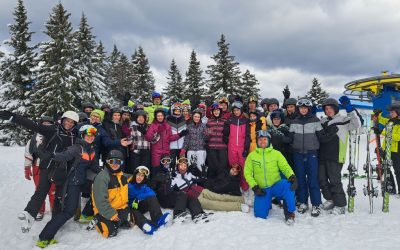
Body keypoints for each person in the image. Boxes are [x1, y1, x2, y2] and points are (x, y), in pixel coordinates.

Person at [0, 110, 79, 233]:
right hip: (47, 167)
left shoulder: (75, 135)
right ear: (62, 120)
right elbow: (33, 125)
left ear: (75, 124)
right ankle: (29, 214)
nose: (69, 124)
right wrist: (13, 117)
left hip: (63, 170)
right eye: (67, 121)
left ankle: (55, 220)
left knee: (58, 196)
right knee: (41, 191)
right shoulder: (52, 130)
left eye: (72, 122)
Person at [35, 125, 102, 248]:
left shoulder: (91, 150)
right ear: (82, 135)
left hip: (82, 182)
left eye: (92, 136)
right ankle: (44, 237)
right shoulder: (77, 148)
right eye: (88, 135)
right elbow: (64, 156)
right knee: (68, 211)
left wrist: (106, 171)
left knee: (99, 192)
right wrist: (50, 155)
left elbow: (94, 167)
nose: (90, 138)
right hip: (72, 183)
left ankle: (86, 214)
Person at [319, 97, 361, 215]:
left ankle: (340, 204)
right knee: (321, 179)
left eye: (330, 108)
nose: (328, 110)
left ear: (336, 109)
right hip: (322, 155)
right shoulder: (322, 121)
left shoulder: (343, 120)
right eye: (326, 109)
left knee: (334, 180)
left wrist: (350, 109)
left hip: (336, 155)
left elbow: (356, 124)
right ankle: (330, 199)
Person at [244, 130, 297, 224]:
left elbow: (285, 167)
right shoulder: (252, 156)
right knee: (260, 215)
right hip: (262, 189)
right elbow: (247, 173)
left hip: (275, 185)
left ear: (269, 141)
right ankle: (267, 202)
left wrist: (291, 176)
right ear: (257, 141)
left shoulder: (276, 154)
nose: (262, 141)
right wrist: (255, 187)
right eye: (260, 139)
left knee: (288, 185)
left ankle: (289, 213)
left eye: (265, 139)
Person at [288, 98, 326, 217]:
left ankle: (316, 203)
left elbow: (321, 136)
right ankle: (303, 202)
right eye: (301, 108)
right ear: (299, 109)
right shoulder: (294, 121)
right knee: (300, 179)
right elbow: (290, 137)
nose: (303, 110)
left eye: (305, 108)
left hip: (311, 153)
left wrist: (329, 135)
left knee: (312, 179)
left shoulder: (315, 120)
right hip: (298, 153)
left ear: (309, 109)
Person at [171, 157, 249, 213]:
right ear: (177, 167)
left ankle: (243, 200)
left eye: (185, 166)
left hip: (202, 190)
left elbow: (201, 179)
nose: (183, 168)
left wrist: (203, 173)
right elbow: (169, 191)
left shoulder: (189, 174)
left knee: (220, 197)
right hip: (196, 199)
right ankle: (239, 206)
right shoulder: (174, 179)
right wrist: (168, 180)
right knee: (216, 204)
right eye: (181, 165)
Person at [149, 155, 206, 223]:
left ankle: (198, 214)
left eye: (168, 161)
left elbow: (185, 172)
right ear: (161, 162)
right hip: (163, 196)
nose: (166, 163)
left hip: (174, 195)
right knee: (182, 194)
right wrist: (163, 179)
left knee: (190, 197)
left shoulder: (172, 171)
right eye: (164, 161)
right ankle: (178, 214)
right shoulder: (158, 171)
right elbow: (153, 184)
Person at [91, 150, 131, 237]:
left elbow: (131, 177)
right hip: (104, 210)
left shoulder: (121, 176)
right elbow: (100, 201)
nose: (115, 164)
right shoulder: (102, 177)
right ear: (108, 161)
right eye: (112, 161)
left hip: (119, 208)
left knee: (124, 222)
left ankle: (117, 222)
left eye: (118, 162)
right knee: (110, 232)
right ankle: (98, 221)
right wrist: (111, 214)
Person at [23, 116, 55, 221]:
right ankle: (40, 210)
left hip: (52, 167)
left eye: (48, 124)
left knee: (53, 190)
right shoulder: (33, 139)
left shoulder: (55, 136)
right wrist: (27, 168)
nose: (46, 126)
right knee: (39, 189)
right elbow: (28, 154)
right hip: (37, 167)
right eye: (44, 124)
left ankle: (54, 210)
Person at [128, 166, 172, 235]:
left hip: (139, 205)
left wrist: (138, 198)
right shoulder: (128, 185)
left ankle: (158, 219)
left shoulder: (144, 186)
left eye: (142, 176)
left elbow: (152, 193)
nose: (140, 177)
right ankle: (145, 225)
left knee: (151, 197)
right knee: (134, 212)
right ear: (135, 175)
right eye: (138, 175)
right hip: (130, 208)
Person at [145, 108, 184, 176]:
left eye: (161, 115)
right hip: (156, 152)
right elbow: (149, 138)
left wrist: (180, 135)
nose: (160, 117)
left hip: (166, 151)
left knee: (166, 169)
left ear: (164, 116)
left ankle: (166, 184)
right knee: (156, 169)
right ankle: (155, 183)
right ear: (156, 117)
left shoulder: (167, 126)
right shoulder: (153, 125)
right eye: (158, 116)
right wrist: (157, 131)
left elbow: (170, 137)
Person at [373, 104, 400, 195]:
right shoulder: (390, 121)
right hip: (386, 149)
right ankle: (391, 189)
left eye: (392, 112)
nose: (390, 113)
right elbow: (381, 119)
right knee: (386, 169)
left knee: (398, 171)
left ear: (398, 112)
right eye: (390, 112)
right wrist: (377, 114)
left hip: (396, 151)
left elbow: (398, 137)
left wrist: (383, 132)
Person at [223, 101, 250, 192]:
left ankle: (244, 184)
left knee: (243, 166)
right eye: (234, 110)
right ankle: (234, 184)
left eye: (238, 110)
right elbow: (225, 134)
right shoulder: (230, 120)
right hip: (232, 146)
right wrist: (225, 136)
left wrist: (246, 148)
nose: (236, 112)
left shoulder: (245, 121)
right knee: (233, 166)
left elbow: (247, 136)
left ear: (241, 110)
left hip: (242, 147)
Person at [206, 103, 228, 178]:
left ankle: (221, 182)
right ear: (212, 112)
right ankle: (212, 183)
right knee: (212, 166)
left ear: (220, 111)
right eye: (214, 111)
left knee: (222, 166)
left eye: (218, 110)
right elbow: (206, 134)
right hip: (212, 147)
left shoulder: (225, 121)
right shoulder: (209, 121)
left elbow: (228, 133)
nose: (216, 112)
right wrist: (209, 132)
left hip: (222, 147)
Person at [181, 109, 207, 173]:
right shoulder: (189, 126)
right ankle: (191, 179)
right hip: (191, 149)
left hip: (200, 149)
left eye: (198, 117)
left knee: (200, 166)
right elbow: (187, 138)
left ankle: (201, 179)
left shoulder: (203, 126)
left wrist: (207, 135)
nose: (197, 118)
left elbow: (206, 138)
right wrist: (184, 149)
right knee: (190, 166)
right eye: (195, 116)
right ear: (192, 117)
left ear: (200, 118)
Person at [167, 102, 187, 171]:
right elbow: (168, 135)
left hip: (181, 145)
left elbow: (185, 134)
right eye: (176, 111)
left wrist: (184, 146)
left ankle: (181, 174)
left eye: (179, 111)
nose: (177, 112)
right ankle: (171, 173)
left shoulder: (183, 120)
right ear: (172, 111)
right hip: (172, 146)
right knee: (172, 162)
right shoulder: (168, 120)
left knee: (181, 162)